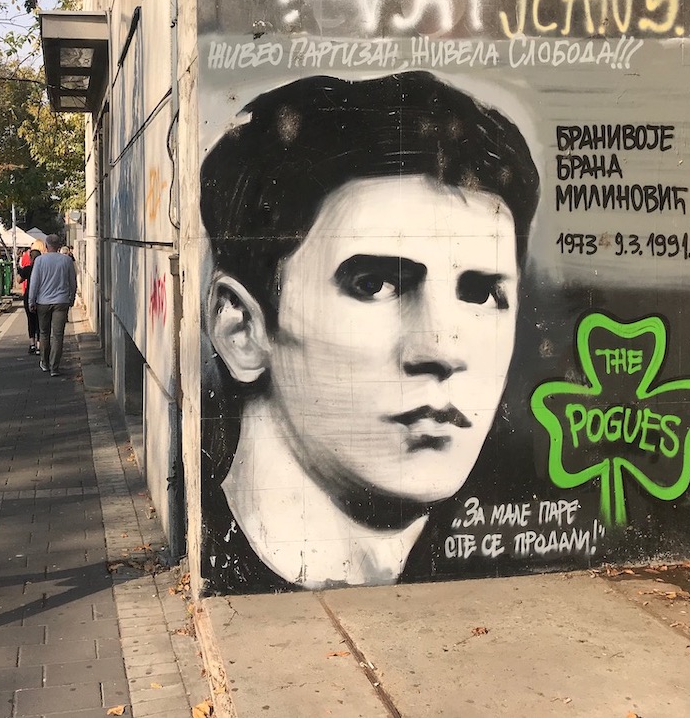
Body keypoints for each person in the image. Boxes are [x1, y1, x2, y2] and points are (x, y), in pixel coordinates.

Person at [199, 70, 539, 591]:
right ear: (241, 329)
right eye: (375, 284)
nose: (442, 349)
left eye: (480, 295)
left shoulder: (503, 559)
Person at [26, 233, 78, 377]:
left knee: (44, 333)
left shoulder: (40, 260)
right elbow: (72, 282)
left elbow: (34, 283)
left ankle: (45, 362)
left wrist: (31, 301)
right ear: (59, 246)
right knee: (58, 335)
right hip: (61, 301)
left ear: (46, 246)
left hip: (43, 302)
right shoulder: (66, 260)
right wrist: (72, 298)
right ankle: (55, 366)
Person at [18, 240, 44, 355]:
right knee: (40, 321)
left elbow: (19, 280)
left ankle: (32, 344)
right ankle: (39, 345)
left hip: (28, 296)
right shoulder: (43, 269)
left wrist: (20, 271)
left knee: (31, 320)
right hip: (42, 297)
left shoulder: (28, 269)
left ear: (30, 258)